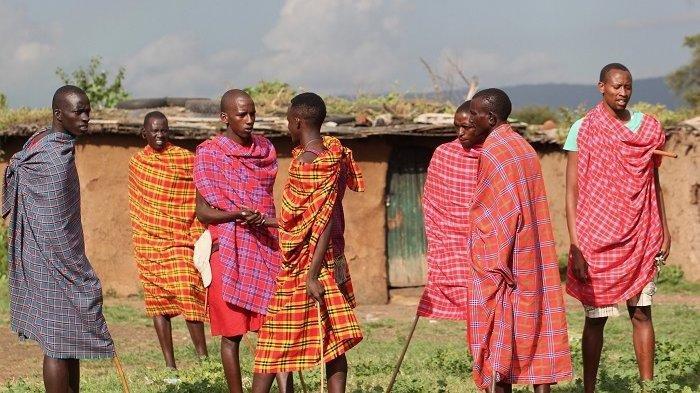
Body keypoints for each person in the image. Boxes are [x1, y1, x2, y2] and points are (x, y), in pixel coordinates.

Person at [565, 63, 669, 392]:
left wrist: (665, 228)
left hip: (641, 232)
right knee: (596, 319)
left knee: (642, 314)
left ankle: (647, 387)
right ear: (601, 87)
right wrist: (575, 245)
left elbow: (653, 182)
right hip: (596, 238)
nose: (622, 93)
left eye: (628, 87)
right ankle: (590, 389)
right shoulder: (582, 129)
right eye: (616, 87)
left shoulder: (648, 129)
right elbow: (571, 193)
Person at [2, 85, 114, 392]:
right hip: (51, 259)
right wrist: (80, 273)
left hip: (41, 254)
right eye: (78, 111)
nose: (86, 117)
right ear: (58, 114)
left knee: (68, 337)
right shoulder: (54, 159)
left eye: (88, 110)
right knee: (56, 342)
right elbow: (57, 228)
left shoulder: (43, 142)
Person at [253, 92, 364, 393]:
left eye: (289, 121)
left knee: (270, 345)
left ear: (298, 122)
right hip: (332, 257)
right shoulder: (334, 154)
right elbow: (308, 217)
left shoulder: (308, 162)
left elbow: (323, 219)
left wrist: (312, 275)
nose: (287, 127)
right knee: (333, 339)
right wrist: (269, 221)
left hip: (309, 264)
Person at [466, 88, 572, 393]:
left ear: (491, 117)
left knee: (499, 335)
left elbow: (498, 215)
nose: (470, 119)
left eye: (474, 114)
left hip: (507, 261)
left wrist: (490, 264)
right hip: (533, 257)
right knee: (538, 329)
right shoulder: (523, 147)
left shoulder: (495, 152)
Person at [194, 89, 291, 393]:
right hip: (226, 250)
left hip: (265, 246)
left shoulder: (265, 151)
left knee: (274, 327)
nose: (249, 120)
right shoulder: (210, 154)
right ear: (225, 118)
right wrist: (236, 214)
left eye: (252, 113)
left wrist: (259, 219)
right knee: (232, 334)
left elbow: (267, 201)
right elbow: (203, 212)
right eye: (241, 114)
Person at [128, 111, 208, 371]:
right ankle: (170, 366)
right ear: (144, 134)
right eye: (154, 131)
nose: (160, 135)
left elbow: (200, 190)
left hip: (180, 238)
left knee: (186, 288)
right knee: (157, 303)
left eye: (164, 130)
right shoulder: (138, 164)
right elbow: (139, 205)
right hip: (149, 242)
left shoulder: (185, 159)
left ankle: (203, 359)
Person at [417, 100, 482, 320]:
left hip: (486, 242)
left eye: (467, 127)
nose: (460, 133)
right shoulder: (444, 154)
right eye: (457, 127)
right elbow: (432, 202)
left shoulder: (495, 155)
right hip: (451, 242)